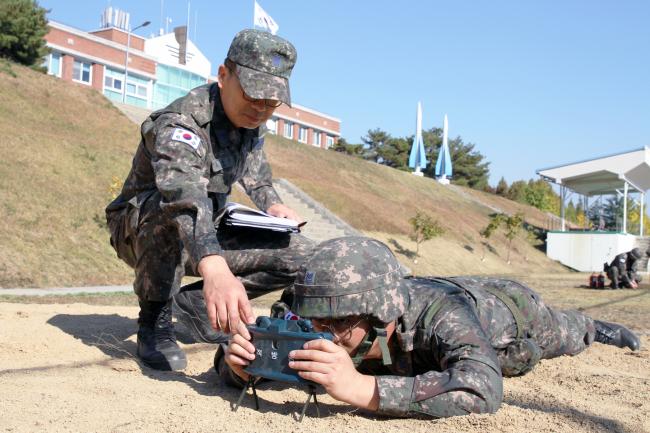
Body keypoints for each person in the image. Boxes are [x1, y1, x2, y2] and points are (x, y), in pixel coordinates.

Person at [217, 236, 641, 418]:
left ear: (377, 311)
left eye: (338, 322)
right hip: (424, 295)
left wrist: (365, 390)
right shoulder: (315, 306)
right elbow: (259, 342)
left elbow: (483, 389)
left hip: (505, 310)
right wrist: (237, 363)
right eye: (314, 318)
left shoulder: (439, 316)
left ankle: (595, 327)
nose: (320, 330)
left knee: (561, 334)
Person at [105, 29, 314, 371]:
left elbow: (257, 177)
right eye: (253, 96)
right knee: (168, 210)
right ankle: (154, 321)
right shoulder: (181, 124)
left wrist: (274, 207)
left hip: (207, 231)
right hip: (143, 229)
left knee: (303, 253)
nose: (261, 109)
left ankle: (196, 307)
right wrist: (214, 266)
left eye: (271, 103)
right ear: (223, 76)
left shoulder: (251, 125)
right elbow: (183, 197)